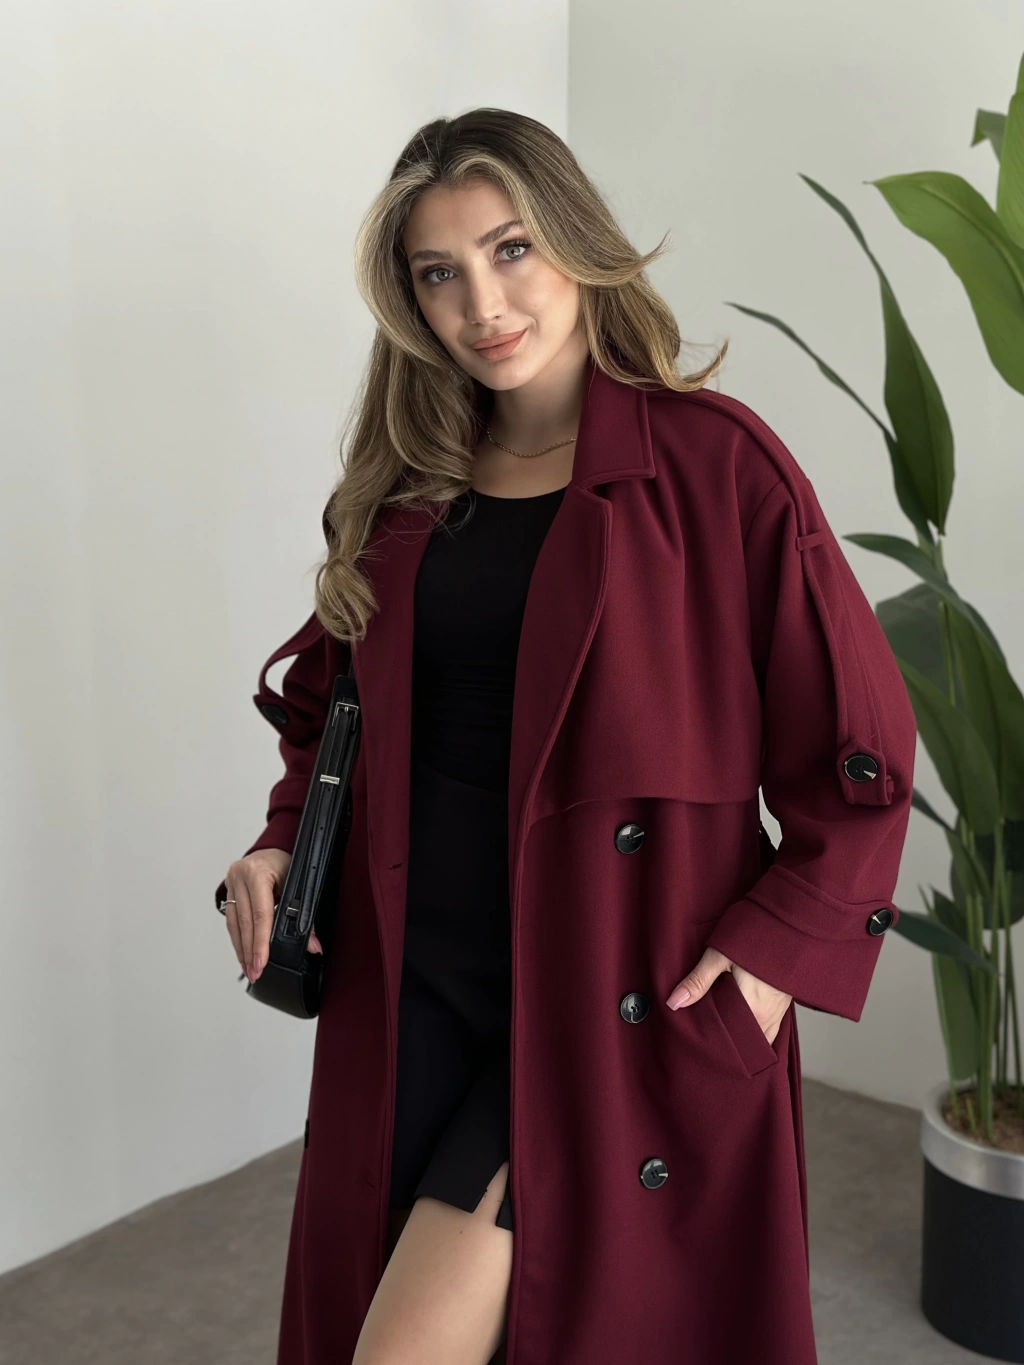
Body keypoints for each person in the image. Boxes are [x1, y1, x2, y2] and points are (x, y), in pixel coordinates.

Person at [215, 107, 916, 1365]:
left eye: (511, 249)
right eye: (440, 272)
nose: (482, 303)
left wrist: (770, 963)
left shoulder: (718, 468)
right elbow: (331, 712)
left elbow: (856, 752)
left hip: (610, 990)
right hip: (410, 983)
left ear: (578, 242)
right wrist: (279, 845)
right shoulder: (397, 487)